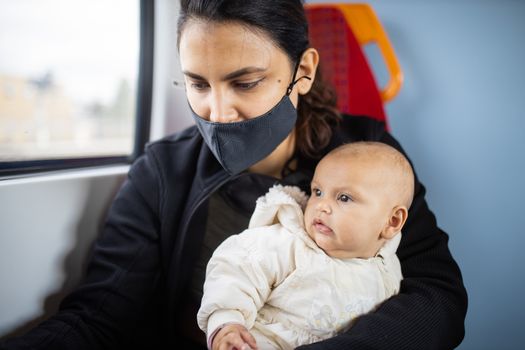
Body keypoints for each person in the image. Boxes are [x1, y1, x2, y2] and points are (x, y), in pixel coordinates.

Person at [0, 0, 467, 349]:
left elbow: (437, 297)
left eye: (245, 83)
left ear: (302, 71)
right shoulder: (162, 172)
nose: (218, 113)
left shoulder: (368, 157)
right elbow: (97, 319)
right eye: (198, 84)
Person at [198, 142, 414, 350]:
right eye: (317, 192)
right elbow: (235, 268)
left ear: (392, 221)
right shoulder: (289, 243)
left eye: (344, 198)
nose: (322, 206)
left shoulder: (388, 270)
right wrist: (227, 324)